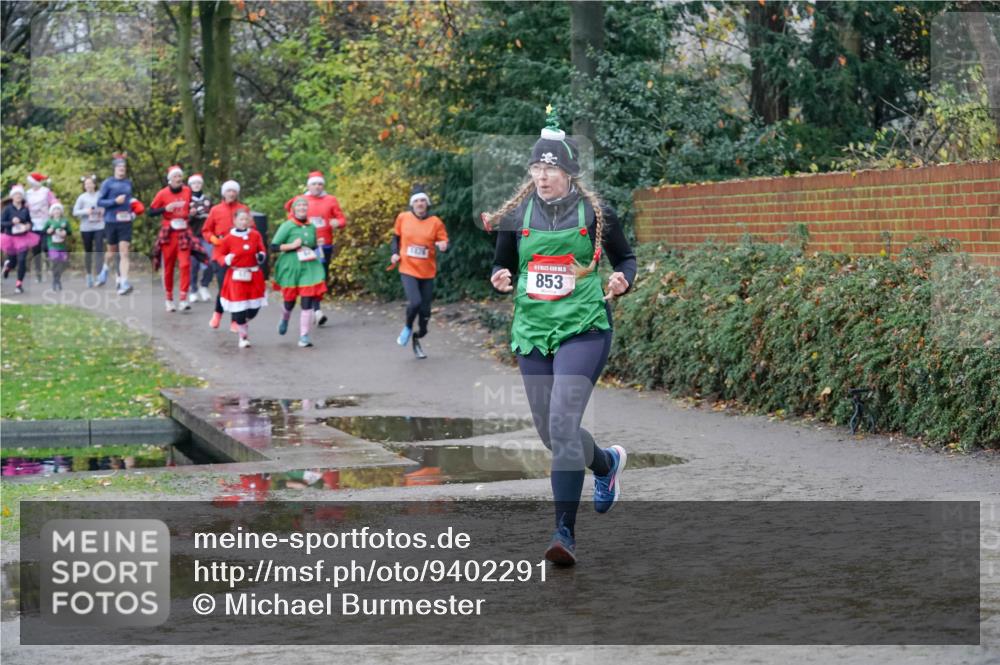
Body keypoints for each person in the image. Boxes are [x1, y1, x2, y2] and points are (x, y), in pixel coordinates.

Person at [486, 109, 637, 566]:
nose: (543, 175)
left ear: (569, 172)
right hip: (532, 329)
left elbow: (626, 259)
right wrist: (500, 275)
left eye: (551, 168)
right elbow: (500, 262)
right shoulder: (515, 215)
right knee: (553, 435)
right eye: (537, 168)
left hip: (584, 325)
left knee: (564, 425)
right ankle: (606, 464)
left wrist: (621, 281)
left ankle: (563, 533)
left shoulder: (596, 212)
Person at [390, 184, 449, 359]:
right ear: (412, 204)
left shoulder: (435, 222)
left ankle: (418, 336)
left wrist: (443, 245)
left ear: (427, 203)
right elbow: (396, 238)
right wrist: (394, 253)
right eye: (417, 201)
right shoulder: (403, 218)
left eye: (423, 200)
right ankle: (408, 327)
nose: (420, 203)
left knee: (425, 313)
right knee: (414, 302)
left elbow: (444, 241)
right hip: (408, 268)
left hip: (427, 272)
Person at [283, 170, 346, 326]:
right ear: (308, 186)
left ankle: (312, 308)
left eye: (320, 184)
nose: (317, 187)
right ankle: (315, 310)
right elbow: (290, 217)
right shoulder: (301, 200)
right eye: (314, 184)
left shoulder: (330, 200)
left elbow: (341, 218)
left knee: (321, 277)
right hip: (305, 246)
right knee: (311, 277)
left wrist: (337, 223)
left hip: (324, 245)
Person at [270, 196, 327, 348]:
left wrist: (317, 245)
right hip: (291, 266)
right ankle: (285, 318)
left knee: (307, 301)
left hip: (308, 267)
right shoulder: (287, 226)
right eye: (299, 206)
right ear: (293, 209)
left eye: (304, 205)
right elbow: (274, 246)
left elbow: (312, 245)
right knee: (289, 302)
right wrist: (291, 246)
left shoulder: (312, 227)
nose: (302, 208)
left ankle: (304, 336)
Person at [203, 180, 250, 330]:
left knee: (238, 289)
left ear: (237, 193)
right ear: (224, 193)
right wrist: (213, 239)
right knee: (224, 287)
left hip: (239, 257)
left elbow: (252, 229)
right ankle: (217, 314)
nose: (231, 193)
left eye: (234, 191)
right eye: (228, 191)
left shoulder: (243, 209)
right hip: (220, 255)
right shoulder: (216, 210)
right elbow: (206, 230)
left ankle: (235, 321)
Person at [218, 209, 268, 348]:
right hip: (236, 277)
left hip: (254, 275)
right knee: (239, 309)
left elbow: (262, 249)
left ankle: (242, 324)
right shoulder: (228, 238)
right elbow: (219, 256)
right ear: (234, 221)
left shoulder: (255, 235)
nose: (244, 222)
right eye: (241, 219)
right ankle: (243, 337)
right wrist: (227, 259)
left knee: (254, 308)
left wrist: (261, 256)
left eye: (246, 219)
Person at [148, 165, 193, 312]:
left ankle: (183, 298)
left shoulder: (187, 191)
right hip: (169, 233)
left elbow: (191, 204)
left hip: (183, 232)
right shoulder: (162, 194)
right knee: (168, 266)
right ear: (170, 180)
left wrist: (191, 211)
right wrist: (164, 209)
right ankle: (169, 299)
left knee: (185, 264)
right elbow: (150, 212)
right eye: (175, 177)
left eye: (180, 176)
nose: (178, 179)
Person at [97, 153, 136, 295]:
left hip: (125, 221)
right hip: (111, 221)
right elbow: (99, 202)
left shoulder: (128, 183)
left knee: (124, 251)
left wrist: (134, 211)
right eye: (119, 167)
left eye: (124, 167)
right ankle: (105, 269)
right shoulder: (107, 183)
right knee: (111, 252)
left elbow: (130, 201)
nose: (122, 169)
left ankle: (124, 282)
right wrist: (114, 202)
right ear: (114, 168)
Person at [1, 184, 41, 294]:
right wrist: (11, 222)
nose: (18, 196)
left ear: (22, 197)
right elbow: (2, 223)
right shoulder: (8, 209)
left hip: (23, 238)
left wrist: (29, 226)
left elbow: (30, 222)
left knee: (22, 260)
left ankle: (19, 285)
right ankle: (8, 267)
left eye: (20, 194)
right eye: (16, 194)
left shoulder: (25, 209)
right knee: (13, 262)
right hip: (10, 238)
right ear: (12, 196)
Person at [24, 171, 57, 283]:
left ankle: (49, 266)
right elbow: (24, 207)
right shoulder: (27, 193)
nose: (39, 182)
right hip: (33, 225)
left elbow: (53, 202)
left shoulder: (46, 192)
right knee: (36, 251)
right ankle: (38, 274)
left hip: (46, 223)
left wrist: (55, 210)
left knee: (46, 247)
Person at [72, 175, 104, 288]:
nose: (88, 185)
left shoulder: (101, 195)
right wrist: (86, 211)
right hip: (86, 227)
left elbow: (107, 206)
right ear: (84, 186)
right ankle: (89, 275)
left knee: (100, 250)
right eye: (86, 184)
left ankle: (100, 276)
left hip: (99, 226)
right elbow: (75, 212)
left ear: (94, 184)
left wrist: (103, 210)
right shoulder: (82, 197)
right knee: (88, 252)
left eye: (90, 183)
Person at [187, 173, 214, 304]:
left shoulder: (208, 199)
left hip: (206, 235)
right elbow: (182, 219)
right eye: (193, 183)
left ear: (202, 184)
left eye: (198, 183)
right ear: (190, 185)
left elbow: (214, 216)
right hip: (192, 236)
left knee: (210, 260)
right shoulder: (186, 200)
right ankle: (193, 290)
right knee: (193, 264)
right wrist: (191, 216)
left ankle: (204, 285)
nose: (196, 186)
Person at [43, 202, 72, 291]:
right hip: (52, 245)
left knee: (62, 263)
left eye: (58, 209)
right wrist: (48, 231)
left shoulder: (65, 221)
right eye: (54, 209)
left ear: (61, 211)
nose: (57, 211)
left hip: (62, 245)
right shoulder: (49, 221)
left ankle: (57, 279)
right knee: (55, 262)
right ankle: (55, 281)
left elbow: (70, 231)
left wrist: (65, 233)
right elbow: (43, 231)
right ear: (51, 212)